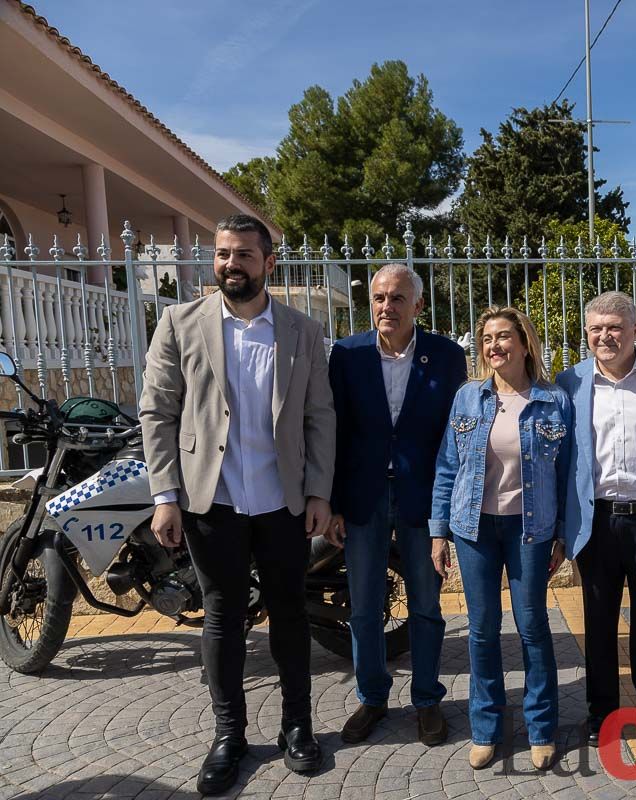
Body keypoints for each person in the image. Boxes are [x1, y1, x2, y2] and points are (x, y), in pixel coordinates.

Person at [140, 214, 335, 795]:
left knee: (291, 613)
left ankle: (297, 726)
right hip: (212, 500)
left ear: (269, 263)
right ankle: (230, 734)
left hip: (283, 502)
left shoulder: (302, 330)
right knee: (223, 619)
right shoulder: (179, 323)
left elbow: (319, 416)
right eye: (224, 254)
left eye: (245, 255)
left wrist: (320, 491)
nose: (231, 265)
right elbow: (159, 411)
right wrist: (166, 495)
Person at [325, 263, 467, 745]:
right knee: (364, 607)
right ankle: (372, 697)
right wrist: (332, 504)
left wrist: (447, 514)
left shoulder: (446, 356)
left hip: (422, 498)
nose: (387, 307)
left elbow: (455, 434)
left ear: (418, 306)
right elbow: (333, 431)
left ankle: (427, 699)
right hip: (361, 498)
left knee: (425, 605)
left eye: (398, 298)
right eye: (380, 298)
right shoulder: (346, 354)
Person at [429, 306, 572, 772]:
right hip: (474, 529)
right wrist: (438, 532)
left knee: (532, 626)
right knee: (483, 629)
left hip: (530, 530)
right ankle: (486, 728)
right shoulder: (468, 399)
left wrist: (563, 536)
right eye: (487, 338)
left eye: (504, 336)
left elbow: (569, 474)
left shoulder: (553, 401)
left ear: (525, 342)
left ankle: (541, 727)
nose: (494, 346)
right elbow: (448, 468)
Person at [556, 291, 636, 749]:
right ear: (585, 333)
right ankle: (601, 712)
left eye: (614, 327)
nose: (604, 336)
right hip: (597, 520)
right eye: (596, 328)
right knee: (599, 620)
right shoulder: (569, 382)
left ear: (635, 330)